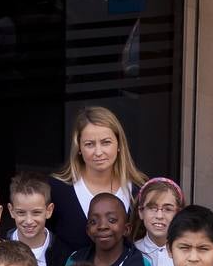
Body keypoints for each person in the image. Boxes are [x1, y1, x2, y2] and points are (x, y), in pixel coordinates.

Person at [47, 106, 149, 253]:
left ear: (119, 144)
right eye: (89, 144)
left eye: (106, 142)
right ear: (79, 147)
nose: (98, 152)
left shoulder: (139, 190)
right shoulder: (57, 189)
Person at [6, 171, 69, 266]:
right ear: (11, 211)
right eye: (21, 212)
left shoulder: (63, 254)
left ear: (49, 211)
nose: (29, 221)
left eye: (36, 213)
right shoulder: (0, 249)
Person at [65, 192, 155, 266]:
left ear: (126, 229)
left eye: (112, 220)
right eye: (93, 221)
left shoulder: (141, 265)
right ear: (88, 231)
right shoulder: (74, 261)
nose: (102, 226)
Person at [131, 177, 185, 266]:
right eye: (152, 208)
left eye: (168, 209)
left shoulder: (188, 254)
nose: (159, 216)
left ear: (179, 214)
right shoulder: (132, 252)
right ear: (141, 212)